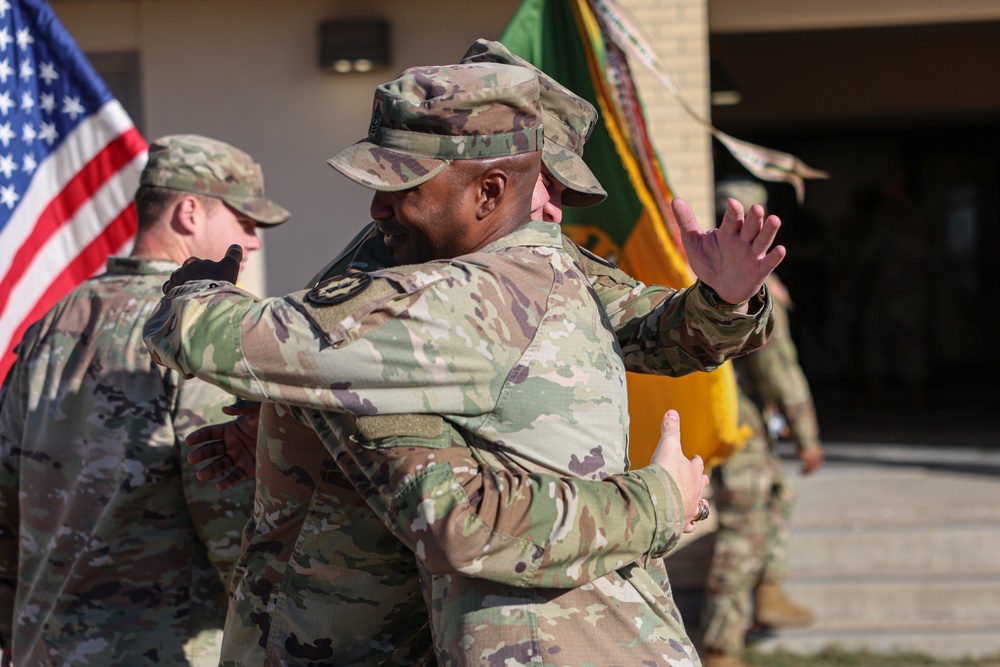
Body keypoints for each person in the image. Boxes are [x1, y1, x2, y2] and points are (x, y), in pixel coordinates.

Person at [147, 62, 782, 666]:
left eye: (555, 187)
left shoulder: (482, 293)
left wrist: (721, 306)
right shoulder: (421, 270)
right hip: (386, 614)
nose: (554, 208)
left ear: (494, 190)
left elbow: (459, 518)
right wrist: (287, 413)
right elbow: (332, 362)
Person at [0, 135, 290, 666]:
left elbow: (4, 499)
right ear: (189, 212)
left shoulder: (52, 322)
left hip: (43, 648)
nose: (253, 242)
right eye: (246, 222)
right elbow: (238, 524)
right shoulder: (203, 330)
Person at [699, 179, 824, 667]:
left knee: (778, 498)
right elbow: (778, 367)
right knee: (741, 532)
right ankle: (720, 649)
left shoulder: (700, 266)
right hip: (738, 423)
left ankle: (769, 591)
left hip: (728, 417)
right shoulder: (754, 283)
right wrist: (808, 435)